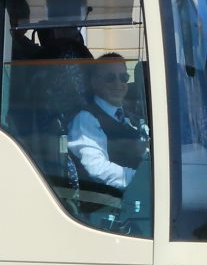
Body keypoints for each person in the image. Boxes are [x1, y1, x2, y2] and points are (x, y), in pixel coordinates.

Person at [62, 53, 147, 192]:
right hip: (111, 205)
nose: (118, 84)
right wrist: (143, 180)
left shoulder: (131, 116)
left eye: (123, 78)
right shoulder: (86, 119)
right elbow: (98, 168)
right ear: (94, 82)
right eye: (110, 78)